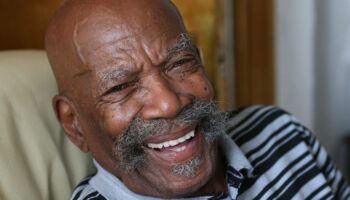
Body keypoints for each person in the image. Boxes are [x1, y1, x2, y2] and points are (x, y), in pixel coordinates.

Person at [45, 0, 350, 199]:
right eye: (120, 87)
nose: (168, 103)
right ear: (74, 125)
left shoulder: (279, 131)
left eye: (180, 63)